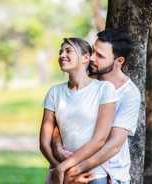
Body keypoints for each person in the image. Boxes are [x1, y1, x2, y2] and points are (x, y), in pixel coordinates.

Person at [51, 28, 141, 184]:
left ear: (119, 61)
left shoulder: (129, 94)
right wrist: (59, 154)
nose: (91, 57)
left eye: (100, 55)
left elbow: (113, 145)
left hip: (109, 175)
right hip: (70, 166)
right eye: (93, 51)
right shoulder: (83, 81)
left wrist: (72, 172)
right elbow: (59, 123)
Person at [39, 37, 118, 184]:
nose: (62, 55)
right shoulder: (54, 92)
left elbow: (99, 140)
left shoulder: (104, 89)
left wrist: (66, 168)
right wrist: (61, 171)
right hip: (61, 175)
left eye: (68, 51)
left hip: (93, 175)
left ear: (85, 58)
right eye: (60, 52)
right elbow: (44, 143)